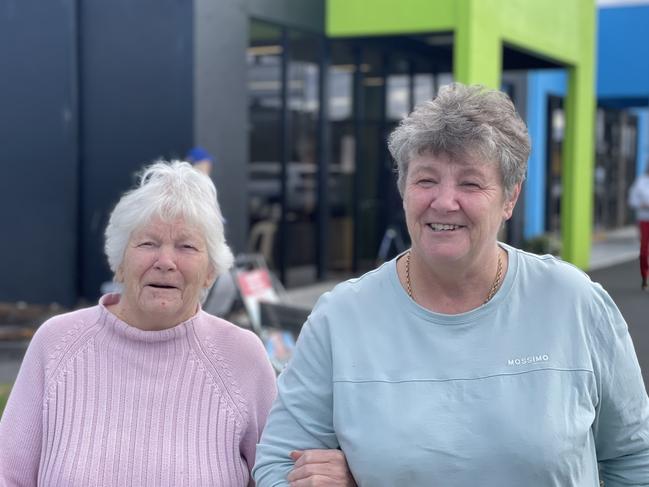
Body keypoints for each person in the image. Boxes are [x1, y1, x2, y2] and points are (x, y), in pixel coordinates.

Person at [253, 83, 649, 486]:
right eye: (426, 180)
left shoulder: (574, 302)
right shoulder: (341, 318)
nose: (444, 202)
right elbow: (277, 465)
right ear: (403, 191)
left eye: (470, 183)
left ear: (510, 198)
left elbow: (635, 458)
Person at [0, 161, 276, 485]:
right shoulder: (56, 343)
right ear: (119, 262)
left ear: (211, 271)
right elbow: (9, 475)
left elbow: (279, 475)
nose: (165, 262)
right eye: (148, 243)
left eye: (186, 246)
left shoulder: (241, 356)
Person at [628, 163, 649, 290]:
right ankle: (645, 277)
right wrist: (641, 205)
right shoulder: (641, 182)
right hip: (644, 219)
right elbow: (632, 200)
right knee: (644, 251)